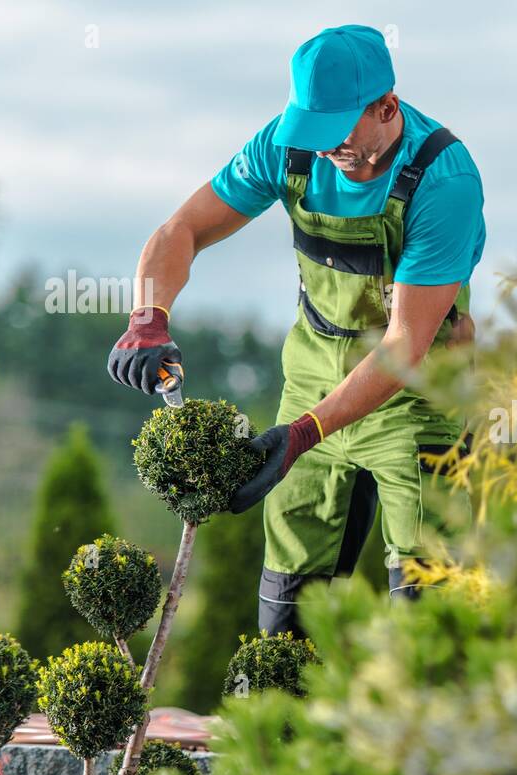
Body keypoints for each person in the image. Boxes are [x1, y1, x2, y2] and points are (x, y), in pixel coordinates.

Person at [107, 24, 485, 634]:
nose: (323, 147)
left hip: (418, 396)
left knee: (428, 612)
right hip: (311, 376)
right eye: (312, 127)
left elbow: (404, 346)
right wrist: (148, 317)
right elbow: (183, 229)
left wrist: (301, 435)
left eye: (337, 129)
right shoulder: (287, 147)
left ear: (387, 107)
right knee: (288, 609)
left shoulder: (444, 181)